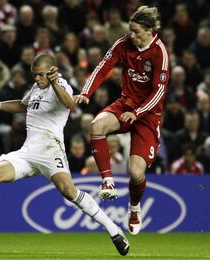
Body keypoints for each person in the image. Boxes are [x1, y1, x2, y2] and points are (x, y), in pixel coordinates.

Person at [0, 52, 130, 256]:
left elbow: (70, 104)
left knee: (69, 191)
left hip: (50, 150)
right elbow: (22, 105)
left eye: (41, 75)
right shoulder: (36, 87)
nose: (37, 78)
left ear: (52, 71)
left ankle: (114, 230)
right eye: (34, 75)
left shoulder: (61, 84)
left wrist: (54, 83)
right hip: (27, 151)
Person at [74, 6, 170, 236]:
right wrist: (86, 92)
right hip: (125, 103)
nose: (132, 35)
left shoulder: (160, 53)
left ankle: (134, 209)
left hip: (148, 115)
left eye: (136, 32)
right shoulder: (123, 43)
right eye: (130, 30)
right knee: (96, 125)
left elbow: (159, 92)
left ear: (150, 30)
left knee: (136, 173)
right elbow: (102, 67)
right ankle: (107, 182)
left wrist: (137, 113)